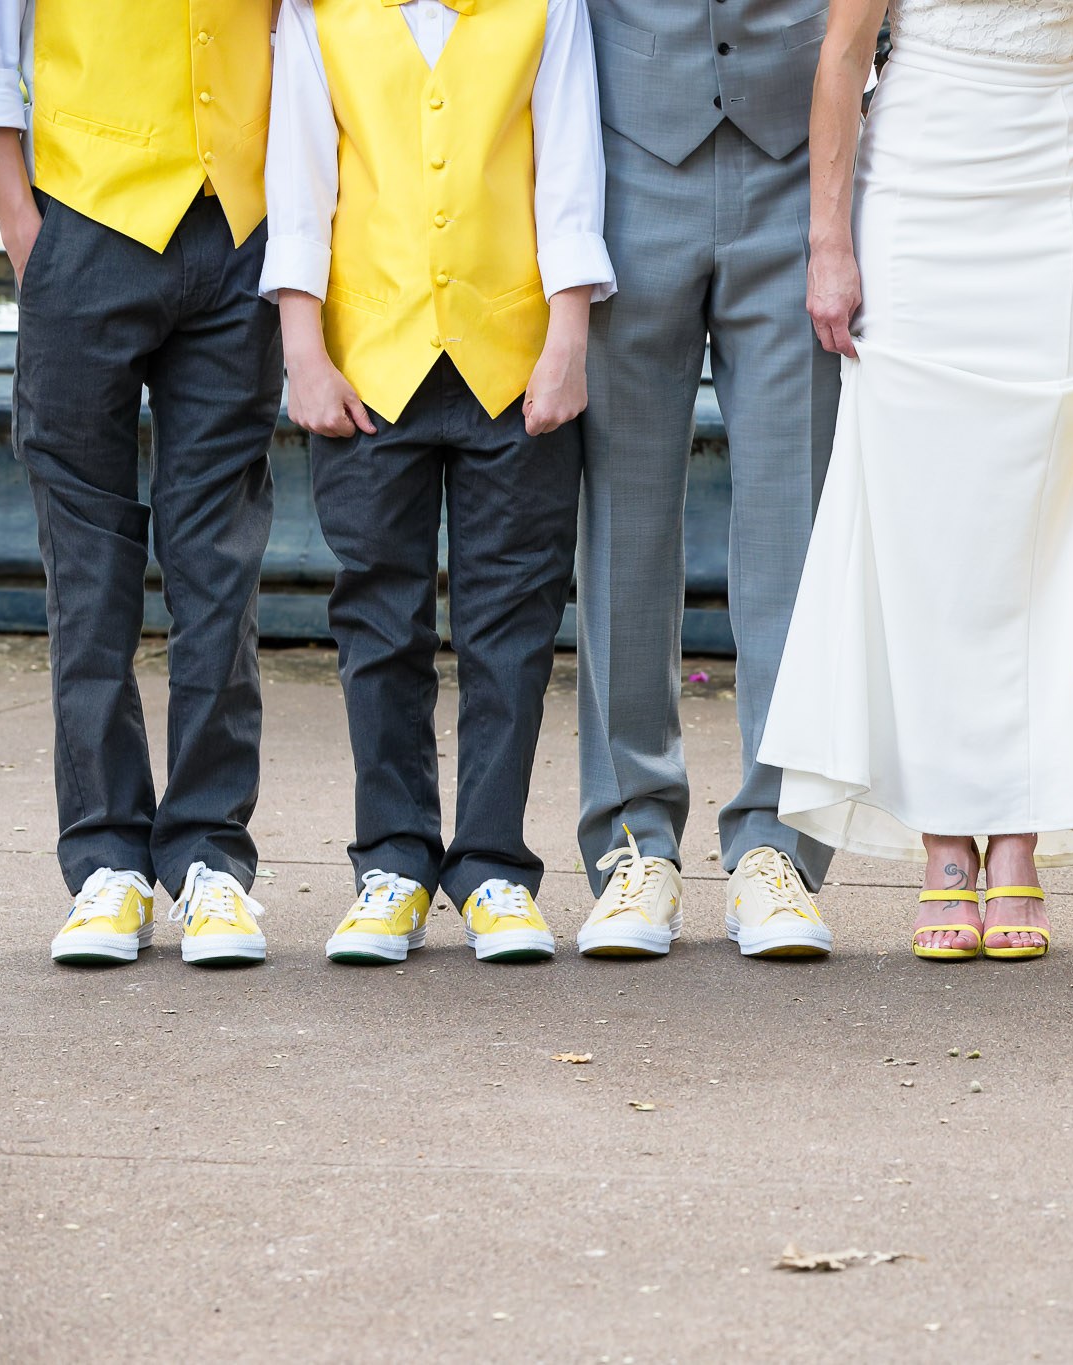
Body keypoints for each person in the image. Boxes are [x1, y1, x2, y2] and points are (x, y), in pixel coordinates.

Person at [760, 0, 1073, 963]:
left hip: (1055, 207)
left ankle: (1020, 828)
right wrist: (829, 240)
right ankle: (943, 838)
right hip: (918, 205)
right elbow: (844, 58)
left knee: (1042, 522)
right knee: (922, 527)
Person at [261, 0, 615, 965]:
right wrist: (304, 348)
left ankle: (494, 863)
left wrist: (568, 338)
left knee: (514, 616)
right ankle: (394, 862)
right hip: (368, 360)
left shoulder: (548, 8)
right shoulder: (316, 14)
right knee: (379, 617)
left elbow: (570, 175)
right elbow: (299, 183)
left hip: (515, 359)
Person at [0, 0, 279, 966]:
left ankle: (212, 858)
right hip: (82, 228)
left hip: (239, 233)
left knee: (218, 553)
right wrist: (24, 228)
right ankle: (106, 861)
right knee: (88, 563)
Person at [573, 0, 842, 963]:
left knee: (793, 526)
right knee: (622, 526)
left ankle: (778, 849)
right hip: (627, 158)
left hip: (795, 162)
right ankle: (632, 844)